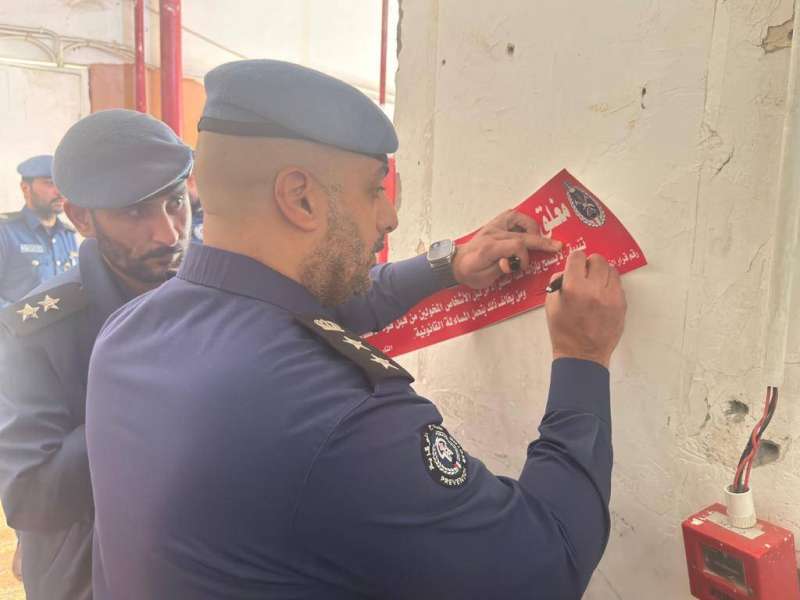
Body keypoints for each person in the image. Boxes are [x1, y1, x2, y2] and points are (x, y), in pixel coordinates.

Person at [86, 60, 627, 600]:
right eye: (373, 190)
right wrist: (582, 356)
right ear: (300, 198)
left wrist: (448, 265)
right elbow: (546, 568)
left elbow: (305, 310)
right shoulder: (337, 415)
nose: (389, 216)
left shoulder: (128, 331)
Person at [0, 108, 553, 599]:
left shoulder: (208, 280)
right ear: (81, 218)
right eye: (134, 214)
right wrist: (152, 399)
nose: (167, 233)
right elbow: (28, 494)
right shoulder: (40, 331)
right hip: (87, 578)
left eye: (173, 203)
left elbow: (324, 304)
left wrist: (447, 265)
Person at [0, 155, 78, 307]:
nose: (59, 192)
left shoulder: (68, 235)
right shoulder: (5, 232)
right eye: (50, 183)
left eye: (62, 184)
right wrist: (17, 318)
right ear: (25, 188)